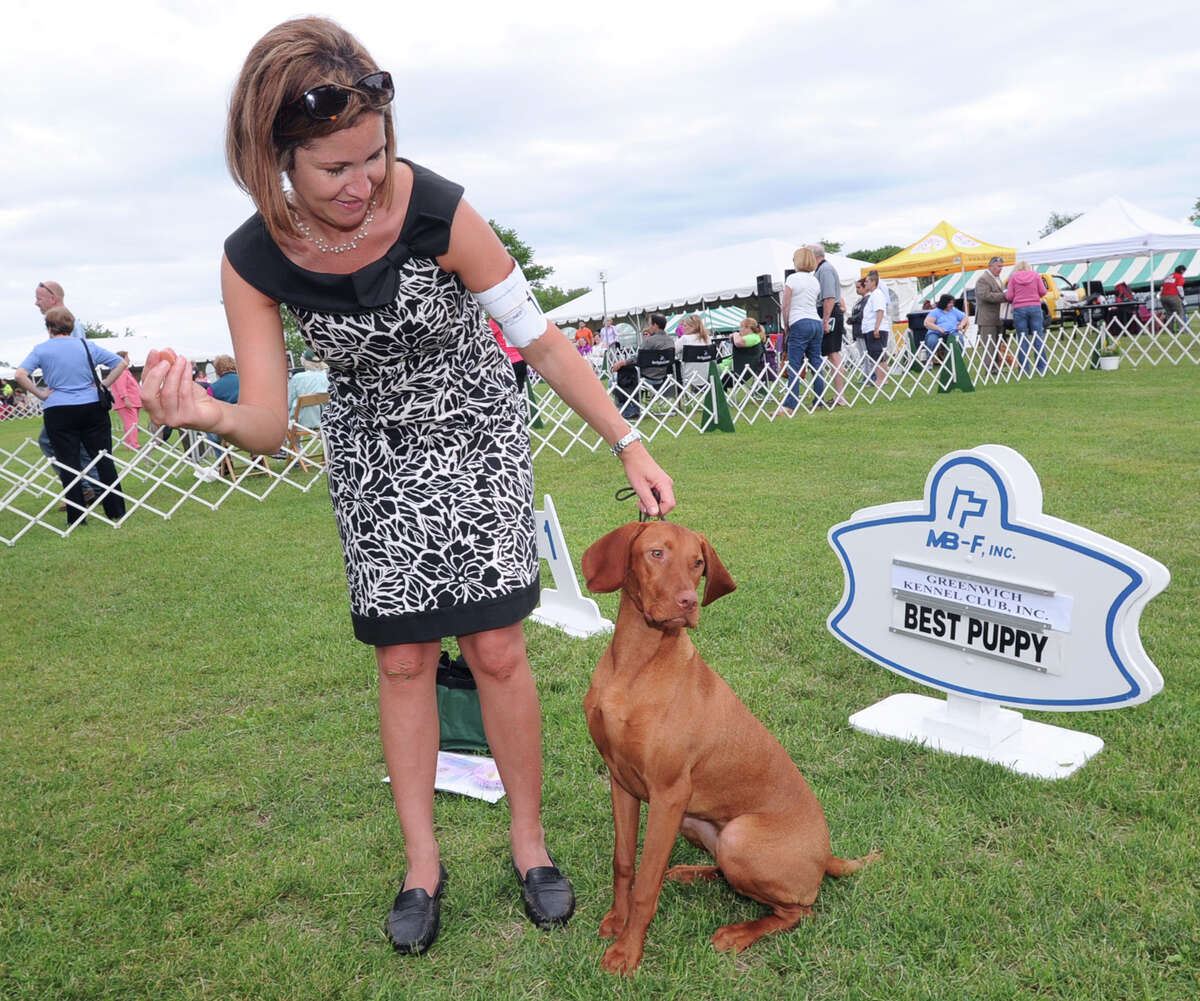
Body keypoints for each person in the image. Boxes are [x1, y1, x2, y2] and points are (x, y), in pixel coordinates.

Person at [138, 16, 674, 958]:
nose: (362, 184)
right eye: (334, 169)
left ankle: (531, 843)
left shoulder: (439, 211)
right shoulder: (252, 258)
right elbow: (267, 420)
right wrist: (209, 416)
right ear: (278, 163)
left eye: (374, 158)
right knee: (402, 662)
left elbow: (539, 339)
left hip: (476, 437)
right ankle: (422, 864)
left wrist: (626, 439)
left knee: (500, 648)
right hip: (378, 463)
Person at [14, 307, 128, 525]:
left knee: (68, 463)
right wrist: (103, 385)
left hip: (59, 409)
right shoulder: (87, 345)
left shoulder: (41, 349)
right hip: (92, 406)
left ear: (49, 327)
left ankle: (76, 517)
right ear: (72, 326)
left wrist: (41, 394)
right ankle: (116, 511)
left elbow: (20, 374)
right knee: (103, 458)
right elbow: (121, 363)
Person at [32, 281, 98, 491]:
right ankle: (92, 487)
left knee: (51, 441)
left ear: (53, 298)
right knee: (80, 445)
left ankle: (86, 487)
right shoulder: (66, 325)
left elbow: (79, 362)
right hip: (79, 398)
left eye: (39, 298)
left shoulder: (71, 329)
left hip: (69, 399)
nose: (36, 303)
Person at [778, 247, 824, 414]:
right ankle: (819, 400)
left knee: (794, 365)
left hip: (799, 322)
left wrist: (786, 326)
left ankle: (791, 404)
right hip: (815, 322)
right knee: (816, 363)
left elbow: (785, 305)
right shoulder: (815, 281)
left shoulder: (792, 279)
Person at [810, 244, 847, 406]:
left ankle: (840, 396)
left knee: (833, 355)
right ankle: (837, 395)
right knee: (831, 355)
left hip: (830, 313)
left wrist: (825, 320)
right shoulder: (820, 270)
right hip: (827, 312)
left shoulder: (825, 270)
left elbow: (829, 298)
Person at [1005, 261, 1048, 375]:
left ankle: (1024, 369)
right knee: (1038, 337)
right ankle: (1042, 367)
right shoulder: (1035, 275)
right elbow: (1043, 292)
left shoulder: (1013, 277)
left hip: (1019, 309)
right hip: (1035, 307)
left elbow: (1009, 296)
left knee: (1022, 338)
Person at [975, 256, 1008, 374]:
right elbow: (985, 296)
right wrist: (1005, 296)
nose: (1001, 269)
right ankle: (989, 369)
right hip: (987, 319)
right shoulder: (983, 279)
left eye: (1002, 267)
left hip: (998, 317)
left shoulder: (997, 278)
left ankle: (995, 367)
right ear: (991, 266)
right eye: (999, 266)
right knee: (989, 345)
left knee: (997, 344)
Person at [861, 270, 891, 386]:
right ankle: (881, 379)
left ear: (873, 282)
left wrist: (876, 328)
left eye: (867, 281)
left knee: (878, 355)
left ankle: (881, 379)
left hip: (877, 328)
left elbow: (880, 311)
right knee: (875, 355)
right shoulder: (873, 295)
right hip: (871, 328)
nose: (865, 284)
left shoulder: (877, 294)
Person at [287, 350, 330, 428]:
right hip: (325, 421)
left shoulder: (298, 378)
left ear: (304, 361)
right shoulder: (327, 376)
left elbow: (288, 403)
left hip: (300, 423)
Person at [110, 350, 143, 449]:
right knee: (131, 423)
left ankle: (129, 444)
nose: (129, 360)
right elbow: (121, 387)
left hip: (133, 401)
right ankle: (133, 444)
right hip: (127, 402)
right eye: (127, 358)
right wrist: (126, 399)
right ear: (122, 359)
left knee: (131, 423)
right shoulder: (120, 372)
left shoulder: (125, 371)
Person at [923, 294, 968, 364]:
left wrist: (961, 325)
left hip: (952, 332)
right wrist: (938, 328)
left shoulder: (954, 310)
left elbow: (965, 317)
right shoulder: (935, 312)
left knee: (959, 338)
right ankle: (930, 361)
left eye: (953, 303)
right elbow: (927, 323)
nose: (952, 304)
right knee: (932, 340)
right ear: (944, 303)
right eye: (950, 303)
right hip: (936, 332)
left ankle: (958, 359)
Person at [675, 313, 713, 388]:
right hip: (705, 377)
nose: (682, 328)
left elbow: (671, 352)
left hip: (688, 377)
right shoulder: (708, 338)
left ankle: (676, 396)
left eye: (685, 326)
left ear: (693, 327)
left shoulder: (685, 338)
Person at [1160, 265, 1187, 330]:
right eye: (1184, 271)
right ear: (1181, 270)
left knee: (1169, 313)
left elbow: (1162, 287)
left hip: (1163, 297)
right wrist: (1182, 296)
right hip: (1172, 296)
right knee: (1179, 312)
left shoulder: (1168, 276)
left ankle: (1170, 330)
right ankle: (1181, 330)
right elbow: (1179, 287)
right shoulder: (1180, 277)